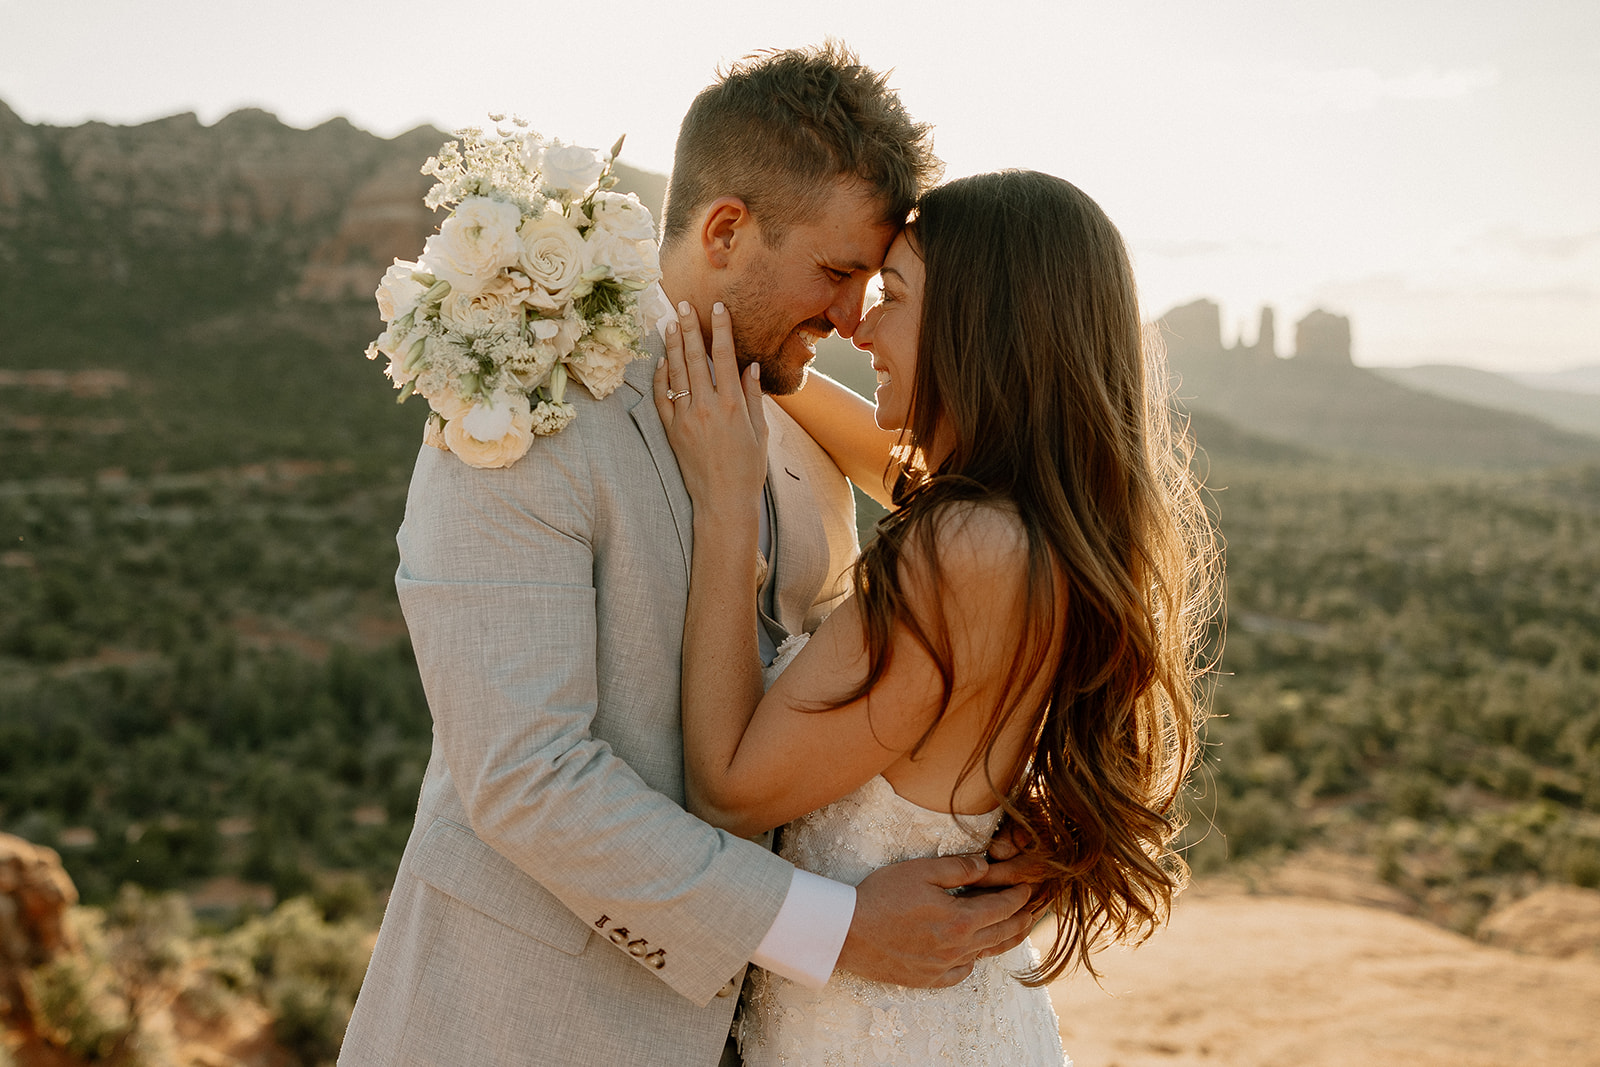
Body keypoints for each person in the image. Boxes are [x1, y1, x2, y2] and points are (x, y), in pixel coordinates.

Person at [339, 45, 1044, 1067]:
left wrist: (1006, 813)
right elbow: (526, 777)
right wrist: (834, 925)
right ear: (725, 229)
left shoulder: (798, 408)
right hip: (525, 1025)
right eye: (838, 272)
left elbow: (1004, 554)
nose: (854, 318)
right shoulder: (518, 407)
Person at [653, 169, 1219, 1065]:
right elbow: (893, 461)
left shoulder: (962, 548)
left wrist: (727, 505)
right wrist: (759, 353)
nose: (861, 325)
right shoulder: (1033, 520)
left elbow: (727, 785)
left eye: (895, 297)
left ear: (978, 330)